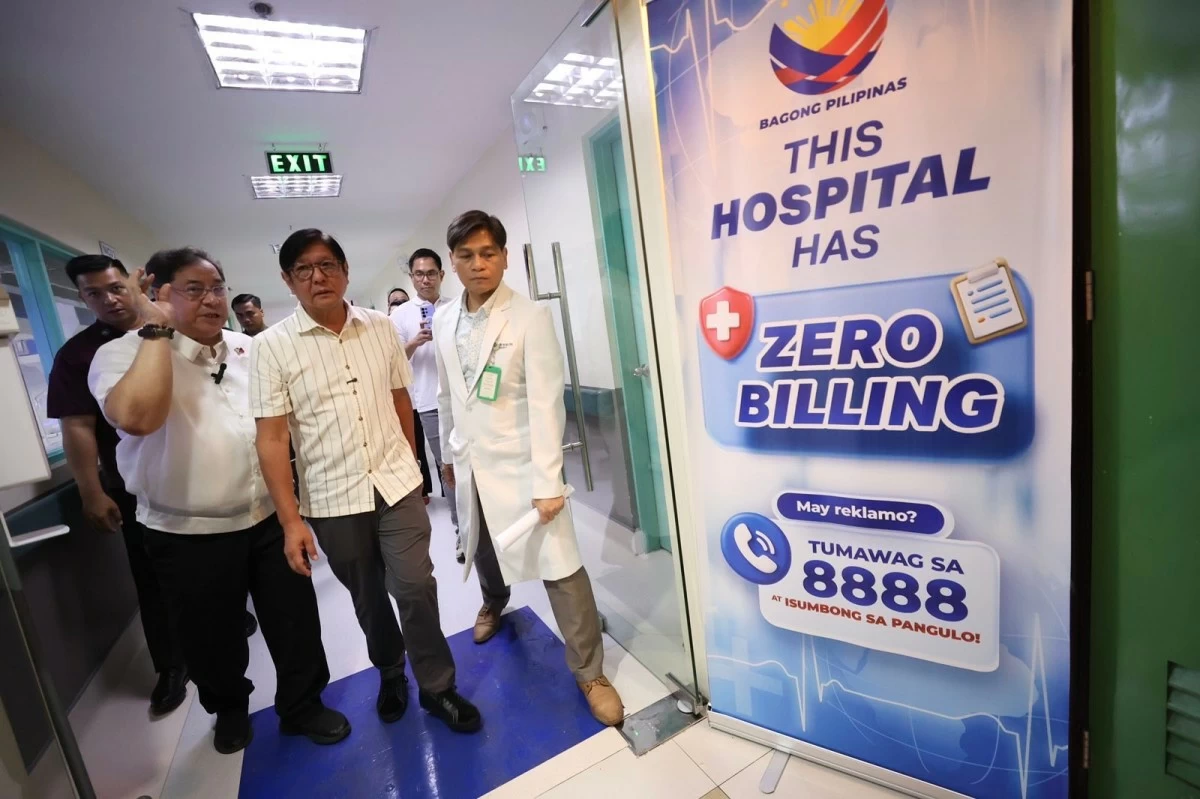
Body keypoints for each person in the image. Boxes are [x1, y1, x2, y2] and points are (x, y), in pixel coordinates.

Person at [88, 248, 348, 754]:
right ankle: (230, 709)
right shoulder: (122, 353)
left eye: (218, 287)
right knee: (212, 637)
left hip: (268, 517)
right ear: (157, 294)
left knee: (295, 622)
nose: (212, 300)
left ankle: (302, 705)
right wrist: (157, 333)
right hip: (187, 533)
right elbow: (137, 418)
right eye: (193, 289)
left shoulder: (250, 349)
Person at [250, 229, 481, 733]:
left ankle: (438, 687)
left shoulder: (380, 327)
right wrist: (290, 522)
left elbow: (401, 399)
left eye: (328, 264)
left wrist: (413, 465)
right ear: (288, 281)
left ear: (345, 271)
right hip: (332, 497)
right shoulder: (271, 348)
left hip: (395, 482)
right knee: (369, 596)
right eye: (304, 269)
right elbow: (270, 439)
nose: (318, 276)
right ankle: (391, 672)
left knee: (416, 584)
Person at [434, 211, 624, 726]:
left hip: (524, 467)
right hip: (472, 463)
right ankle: (494, 603)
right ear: (453, 261)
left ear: (503, 256)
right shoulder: (443, 318)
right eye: (467, 255)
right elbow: (448, 393)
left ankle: (590, 671)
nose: (478, 264)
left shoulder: (530, 316)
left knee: (561, 569)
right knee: (483, 546)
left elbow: (547, 405)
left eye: (488, 253)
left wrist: (547, 482)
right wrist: (450, 458)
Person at [46, 254, 187, 717]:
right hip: (135, 483)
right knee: (153, 576)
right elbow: (78, 427)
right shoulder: (77, 355)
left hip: (193, 467)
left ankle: (222, 628)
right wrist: (91, 490)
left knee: (215, 562)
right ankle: (171, 666)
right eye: (93, 293)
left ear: (132, 283)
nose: (108, 299)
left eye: (115, 287)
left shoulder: (178, 324)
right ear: (82, 298)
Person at [390, 249, 461, 562]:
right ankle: (464, 531)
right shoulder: (401, 315)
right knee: (451, 469)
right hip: (431, 403)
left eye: (431, 273)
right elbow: (392, 364)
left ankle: (485, 525)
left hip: (465, 399)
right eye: (419, 274)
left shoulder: (458, 307)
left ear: (442, 275)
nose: (425, 279)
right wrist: (414, 342)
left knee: (476, 464)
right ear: (412, 277)